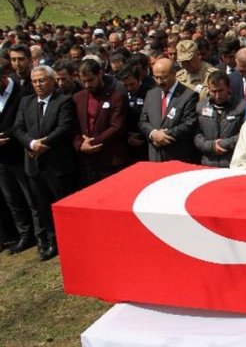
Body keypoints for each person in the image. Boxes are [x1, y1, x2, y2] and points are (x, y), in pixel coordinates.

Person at [14, 66, 78, 260]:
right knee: (42, 206)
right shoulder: (26, 102)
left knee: (63, 204)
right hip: (34, 165)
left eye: (41, 80)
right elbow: (18, 128)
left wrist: (45, 143)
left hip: (57, 165)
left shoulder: (63, 101)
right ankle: (53, 242)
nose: (38, 85)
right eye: (34, 81)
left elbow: (65, 127)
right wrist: (32, 144)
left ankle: (71, 241)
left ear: (52, 81)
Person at [0, 59, 41, 256]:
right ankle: (23, 233)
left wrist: (7, 136)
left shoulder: (21, 93)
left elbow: (22, 123)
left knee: (30, 197)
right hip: (2, 159)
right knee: (12, 198)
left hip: (20, 154)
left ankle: (38, 233)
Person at [72, 59, 129, 187]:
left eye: (90, 80)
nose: (87, 85)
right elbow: (72, 126)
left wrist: (92, 143)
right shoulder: (77, 98)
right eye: (83, 81)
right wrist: (80, 144)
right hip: (86, 162)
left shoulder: (116, 97)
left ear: (100, 74)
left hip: (110, 159)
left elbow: (116, 127)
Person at [139, 59, 199, 163]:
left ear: (174, 74)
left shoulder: (188, 95)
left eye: (163, 77)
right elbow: (143, 121)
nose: (159, 82)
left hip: (177, 156)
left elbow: (189, 124)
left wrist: (165, 135)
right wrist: (153, 134)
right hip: (155, 156)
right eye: (155, 77)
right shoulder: (151, 94)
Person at [194, 70, 246, 168]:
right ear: (209, 89)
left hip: (233, 164)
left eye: (221, 90)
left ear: (228, 88)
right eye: (214, 91)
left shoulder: (241, 106)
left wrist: (224, 144)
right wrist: (211, 146)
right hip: (208, 164)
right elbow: (196, 133)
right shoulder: (200, 107)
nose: (217, 95)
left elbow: (244, 134)